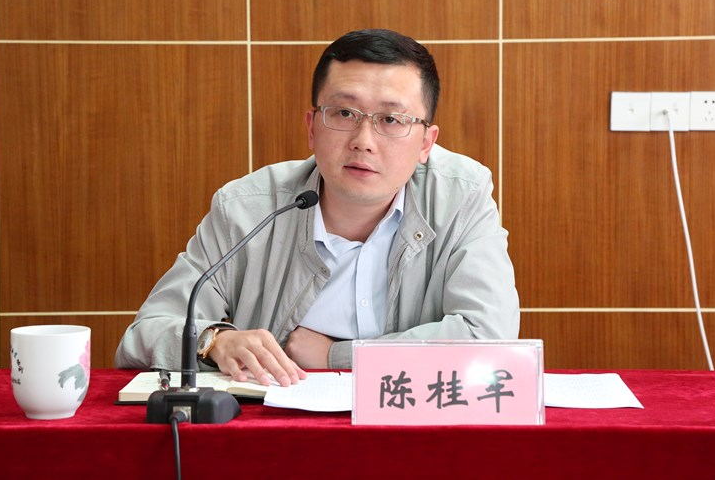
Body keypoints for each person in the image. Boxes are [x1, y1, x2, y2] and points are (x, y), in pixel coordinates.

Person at [115, 28, 519, 387]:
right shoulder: (248, 207)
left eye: (391, 120)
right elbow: (145, 334)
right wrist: (214, 341)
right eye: (344, 113)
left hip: (409, 425)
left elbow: (490, 338)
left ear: (426, 143)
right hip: (277, 433)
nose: (363, 141)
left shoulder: (461, 197)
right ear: (311, 127)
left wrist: (335, 357)